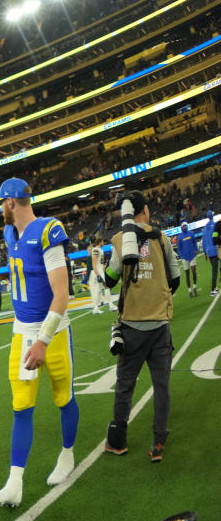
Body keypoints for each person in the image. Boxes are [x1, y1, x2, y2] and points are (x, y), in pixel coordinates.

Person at [0, 178, 80, 508]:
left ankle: (67, 455)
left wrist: (42, 341)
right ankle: (14, 483)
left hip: (51, 332)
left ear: (11, 202)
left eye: (1, 203)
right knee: (21, 406)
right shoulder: (10, 234)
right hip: (22, 332)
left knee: (63, 396)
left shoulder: (48, 230)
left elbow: (62, 294)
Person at [103, 191, 180, 462]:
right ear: (144, 210)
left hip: (132, 326)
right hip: (160, 325)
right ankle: (158, 443)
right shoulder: (162, 238)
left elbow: (109, 280)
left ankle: (118, 441)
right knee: (161, 386)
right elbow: (176, 277)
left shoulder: (120, 240)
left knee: (125, 385)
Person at [89, 236, 117, 313]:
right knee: (106, 288)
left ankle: (96, 308)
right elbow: (94, 264)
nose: (103, 243)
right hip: (98, 272)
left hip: (100, 271)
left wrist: (103, 267)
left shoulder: (99, 250)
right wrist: (98, 274)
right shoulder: (96, 250)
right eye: (102, 241)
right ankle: (110, 305)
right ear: (100, 242)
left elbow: (98, 263)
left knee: (98, 291)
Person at [175, 221, 198, 297]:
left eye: (185, 225)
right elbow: (179, 248)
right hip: (185, 258)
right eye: (183, 226)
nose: (185, 227)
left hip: (192, 255)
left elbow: (194, 243)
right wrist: (181, 255)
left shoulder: (191, 233)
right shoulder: (180, 237)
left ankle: (194, 287)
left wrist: (196, 249)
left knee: (194, 272)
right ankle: (189, 291)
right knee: (187, 274)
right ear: (182, 227)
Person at [202, 208, 218, 296]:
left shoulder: (205, 229)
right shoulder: (215, 225)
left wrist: (205, 253)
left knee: (214, 269)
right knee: (215, 271)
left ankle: (215, 288)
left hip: (209, 251)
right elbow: (216, 237)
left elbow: (204, 241)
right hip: (215, 250)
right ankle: (212, 289)